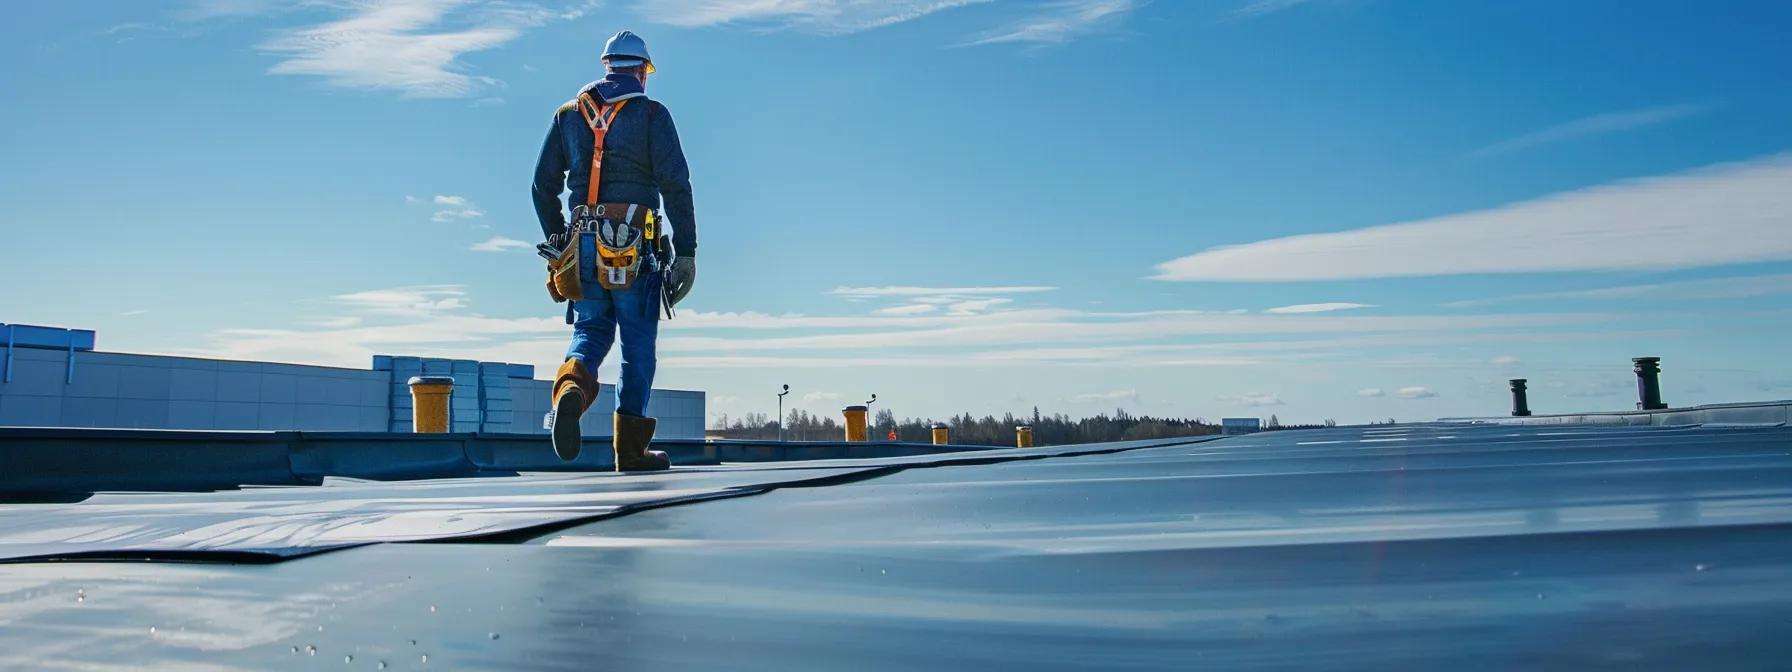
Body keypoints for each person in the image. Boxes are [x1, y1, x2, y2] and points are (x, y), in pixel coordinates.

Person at [531, 30, 696, 470]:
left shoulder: (568, 115)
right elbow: (676, 185)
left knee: (590, 333)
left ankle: (570, 390)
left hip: (582, 249)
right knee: (637, 345)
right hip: (632, 248)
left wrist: (559, 238)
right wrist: (687, 252)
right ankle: (631, 449)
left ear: (607, 65)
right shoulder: (652, 115)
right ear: (642, 71)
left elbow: (541, 187)